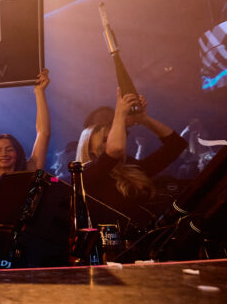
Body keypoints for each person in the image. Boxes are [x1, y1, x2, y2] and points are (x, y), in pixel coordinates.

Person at [77, 90, 186, 231]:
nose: (115, 140)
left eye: (117, 135)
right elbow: (115, 149)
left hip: (147, 243)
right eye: (105, 139)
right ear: (89, 147)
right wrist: (120, 113)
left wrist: (143, 119)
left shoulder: (132, 168)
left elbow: (176, 145)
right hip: (114, 249)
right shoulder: (86, 173)